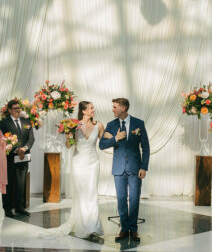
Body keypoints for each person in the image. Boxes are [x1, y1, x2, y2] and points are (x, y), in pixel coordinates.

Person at [41, 101, 105, 239]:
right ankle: (83, 225)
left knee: (92, 193)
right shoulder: (74, 125)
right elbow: (69, 146)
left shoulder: (98, 125)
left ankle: (93, 227)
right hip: (79, 163)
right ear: (83, 111)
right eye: (90, 108)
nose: (93, 110)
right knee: (82, 194)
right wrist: (69, 135)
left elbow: (105, 142)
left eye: (93, 107)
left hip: (93, 163)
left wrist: (116, 139)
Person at [99, 98, 150, 242]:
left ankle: (133, 229)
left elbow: (145, 147)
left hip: (135, 168)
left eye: (115, 107)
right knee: (121, 199)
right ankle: (124, 228)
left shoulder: (138, 124)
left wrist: (144, 167)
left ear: (123, 108)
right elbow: (102, 145)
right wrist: (115, 138)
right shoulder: (111, 125)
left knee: (134, 200)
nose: (113, 109)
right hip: (118, 169)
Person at [0, 100, 34, 217]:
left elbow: (31, 138)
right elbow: (3, 139)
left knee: (21, 184)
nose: (17, 110)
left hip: (23, 158)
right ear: (9, 110)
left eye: (19, 108)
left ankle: (20, 208)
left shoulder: (26, 121)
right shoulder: (3, 123)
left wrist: (24, 149)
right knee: (9, 184)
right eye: (15, 108)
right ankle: (7, 208)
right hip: (9, 159)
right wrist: (16, 150)